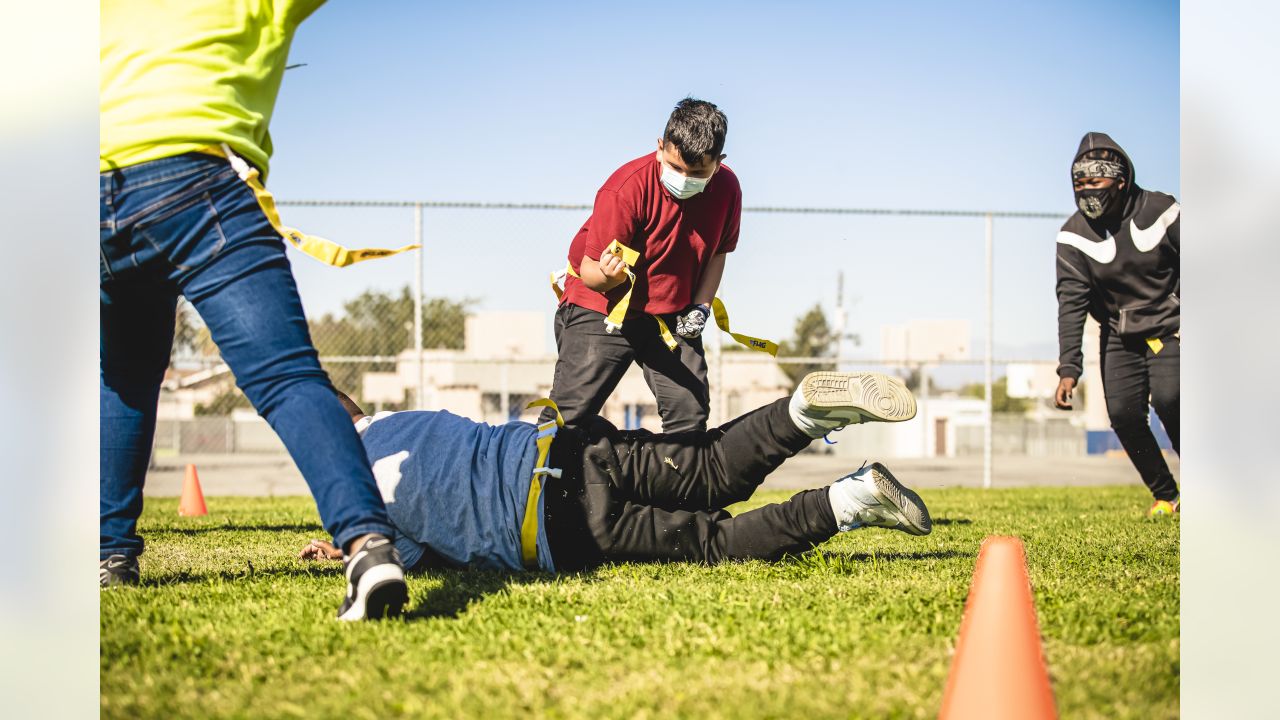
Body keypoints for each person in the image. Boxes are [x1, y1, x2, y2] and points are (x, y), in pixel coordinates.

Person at [99, 0, 408, 620]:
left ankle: (109, 556)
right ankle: (368, 545)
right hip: (195, 182)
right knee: (287, 377)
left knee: (124, 378)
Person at [299, 372, 929, 573]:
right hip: (566, 451)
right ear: (353, 406)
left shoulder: (361, 487)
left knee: (716, 541)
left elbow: (414, 554)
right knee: (709, 469)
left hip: (557, 526)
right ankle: (801, 414)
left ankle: (851, 501)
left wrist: (350, 544)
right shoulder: (403, 419)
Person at [543, 98, 742, 435]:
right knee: (567, 420)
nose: (683, 179)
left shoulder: (727, 188)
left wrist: (701, 306)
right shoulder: (625, 187)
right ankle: (540, 484)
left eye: (697, 174)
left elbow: (718, 252)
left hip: (669, 315)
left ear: (719, 162)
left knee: (689, 417)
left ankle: (672, 487)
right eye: (675, 167)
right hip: (603, 306)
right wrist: (608, 277)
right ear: (661, 146)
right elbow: (591, 270)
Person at [1052, 132, 1180, 518]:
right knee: (1123, 415)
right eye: (1079, 184)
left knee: (1172, 400)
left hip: (1171, 326)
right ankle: (1166, 496)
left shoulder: (1162, 211)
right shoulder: (1073, 236)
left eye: (1095, 182)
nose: (1087, 191)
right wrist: (1069, 370)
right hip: (1119, 335)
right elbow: (1071, 303)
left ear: (1121, 180)